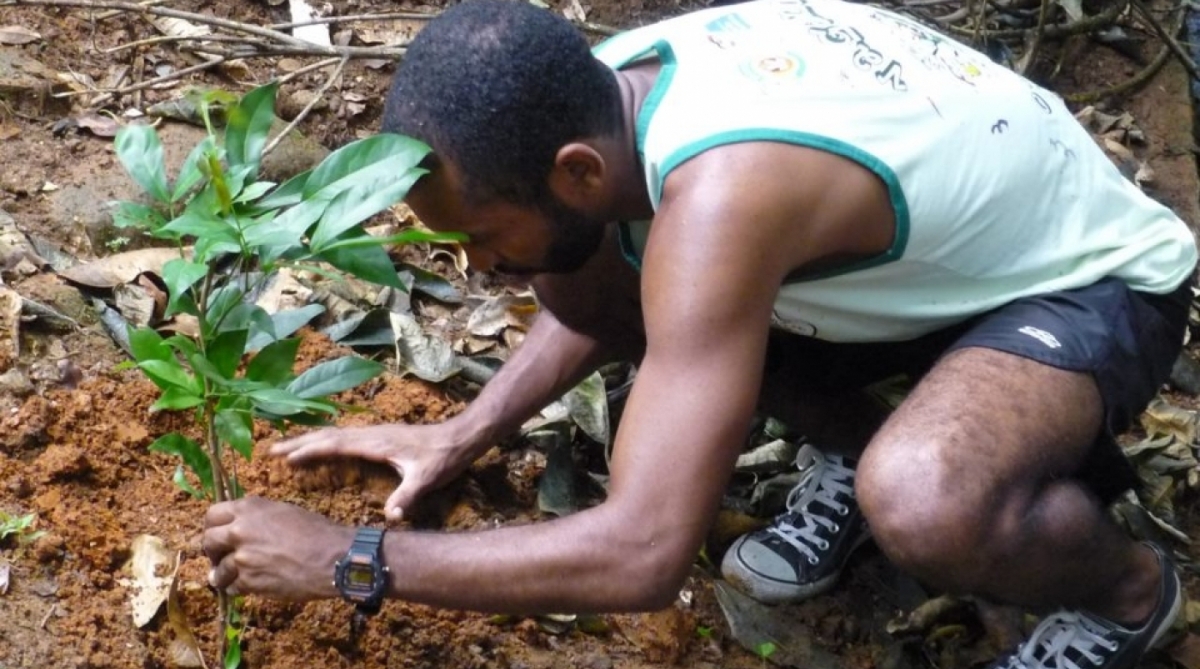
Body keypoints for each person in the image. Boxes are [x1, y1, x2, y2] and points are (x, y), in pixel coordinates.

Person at [202, 0, 1199, 667]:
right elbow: (607, 295)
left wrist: (351, 558)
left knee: (925, 496)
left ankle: (1126, 594)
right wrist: (461, 434)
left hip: (1089, 281)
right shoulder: (592, 94)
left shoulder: (723, 195)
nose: (475, 266)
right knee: (574, 268)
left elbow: (643, 553)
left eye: (479, 234)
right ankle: (862, 447)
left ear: (578, 170)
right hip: (934, 261)